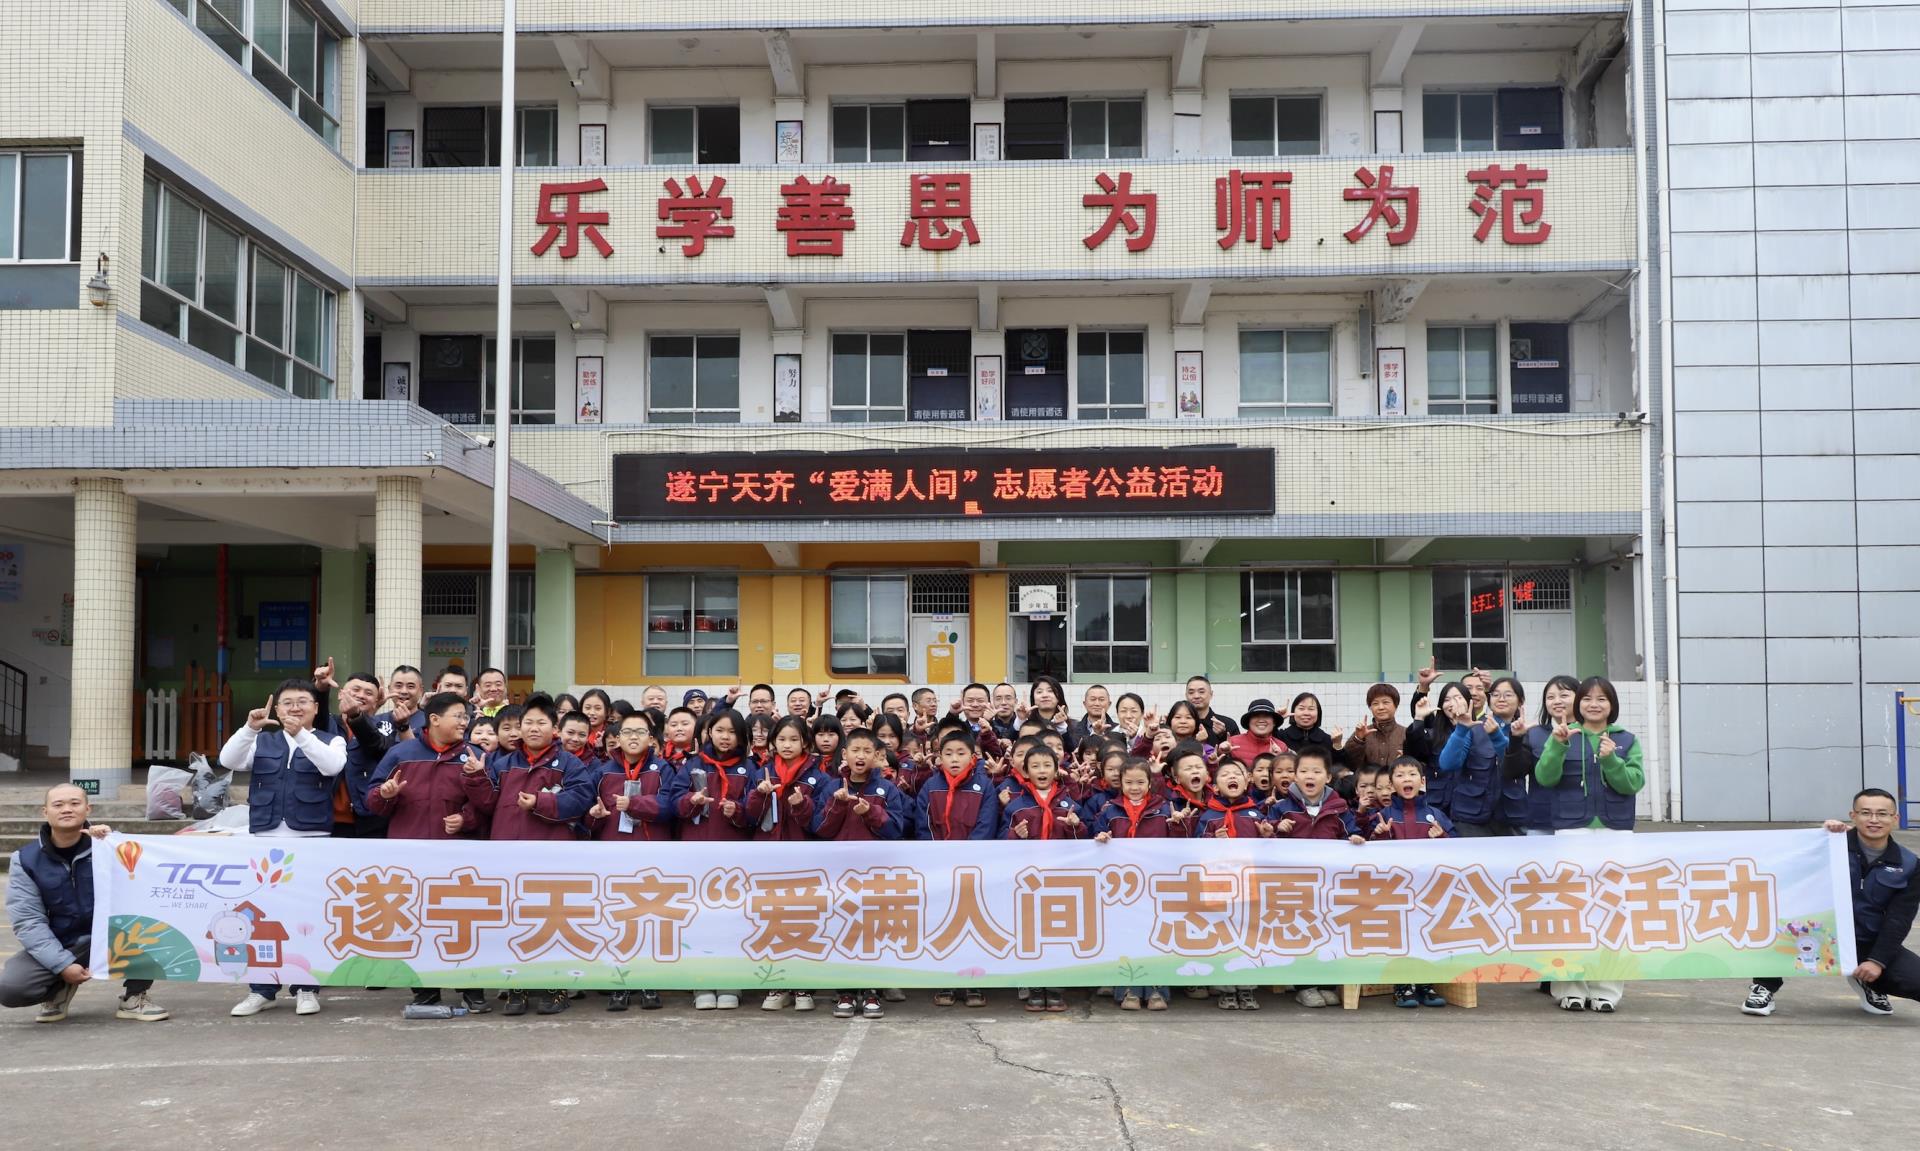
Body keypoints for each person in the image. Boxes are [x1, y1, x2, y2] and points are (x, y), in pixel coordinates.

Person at [223, 677, 346, 1019]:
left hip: (312, 840)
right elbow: (229, 759)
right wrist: (249, 728)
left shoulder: (331, 739)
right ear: (276, 708)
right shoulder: (262, 739)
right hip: (265, 842)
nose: (295, 708)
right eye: (287, 702)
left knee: (307, 918)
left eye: (302, 701)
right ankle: (261, 990)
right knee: (262, 918)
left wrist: (301, 735)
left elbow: (332, 766)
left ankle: (306, 988)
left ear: (315, 708)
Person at [1742, 789, 1920, 1018]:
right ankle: (1764, 985)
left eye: (1882, 814)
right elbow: (1783, 865)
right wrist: (1820, 835)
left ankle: (1867, 980)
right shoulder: (1829, 844)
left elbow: (1899, 918)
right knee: (1775, 925)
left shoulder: (1909, 864)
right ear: (1853, 816)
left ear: (1895, 818)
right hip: (1813, 931)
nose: (1874, 820)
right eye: (1866, 813)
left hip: (1864, 940)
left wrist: (1877, 961)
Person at [367, 693, 492, 1016]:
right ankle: (425, 990)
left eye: (466, 717)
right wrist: (385, 794)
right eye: (458, 716)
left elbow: (489, 805)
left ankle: (471, 988)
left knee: (463, 923)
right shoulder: (401, 753)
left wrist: (465, 818)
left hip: (458, 860)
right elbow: (373, 800)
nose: (464, 722)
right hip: (410, 858)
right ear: (434, 719)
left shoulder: (474, 755)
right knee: (416, 923)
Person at [2, 785, 167, 1023]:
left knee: (152, 922)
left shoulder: (108, 845)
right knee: (12, 988)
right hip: (63, 942)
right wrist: (62, 965)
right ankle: (59, 988)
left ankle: (134, 996)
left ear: (87, 809)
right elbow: (28, 921)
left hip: (112, 937)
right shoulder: (26, 859)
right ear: (45, 812)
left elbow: (142, 883)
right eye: (58, 805)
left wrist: (115, 839)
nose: (67, 809)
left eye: (75, 803)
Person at [479, 693, 598, 1016]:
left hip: (553, 860)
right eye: (528, 723)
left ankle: (554, 987)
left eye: (541, 723)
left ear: (554, 728)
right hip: (509, 856)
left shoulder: (569, 764)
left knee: (552, 923)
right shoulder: (502, 764)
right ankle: (516, 987)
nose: (533, 728)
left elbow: (581, 799)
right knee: (515, 921)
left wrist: (541, 803)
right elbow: (485, 804)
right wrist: (475, 778)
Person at [1533, 675, 1644, 1013]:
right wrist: (1557, 746)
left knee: (1612, 910)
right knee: (1570, 909)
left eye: (1602, 699)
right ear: (1578, 704)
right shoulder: (1565, 735)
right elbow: (1544, 777)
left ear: (1612, 705)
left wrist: (1611, 760)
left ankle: (1606, 990)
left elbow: (1633, 783)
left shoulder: (1626, 740)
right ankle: (1569, 988)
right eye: (1587, 699)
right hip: (1572, 832)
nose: (1594, 704)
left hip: (1615, 832)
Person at [814, 729, 905, 1021]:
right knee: (843, 930)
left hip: (875, 873)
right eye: (855, 750)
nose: (861, 756)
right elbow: (821, 830)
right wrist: (839, 804)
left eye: (867, 751)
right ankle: (846, 991)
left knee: (873, 931)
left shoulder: (887, 790)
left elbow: (895, 831)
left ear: (877, 756)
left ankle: (872, 990)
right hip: (840, 874)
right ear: (845, 754)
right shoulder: (831, 787)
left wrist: (870, 813)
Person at [915, 729, 999, 1008]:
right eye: (948, 753)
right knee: (943, 925)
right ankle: (945, 980)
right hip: (939, 869)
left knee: (975, 927)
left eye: (960, 753)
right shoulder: (930, 786)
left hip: (974, 869)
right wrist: (939, 857)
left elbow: (986, 826)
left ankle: (975, 982)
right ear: (938, 757)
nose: (954, 759)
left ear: (973, 757)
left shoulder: (984, 786)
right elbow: (924, 826)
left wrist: (966, 858)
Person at [1092, 760, 1172, 1011]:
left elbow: (1180, 843)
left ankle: (1157, 989)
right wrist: (1101, 837)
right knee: (1126, 936)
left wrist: (1180, 824)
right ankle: (1129, 989)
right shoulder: (1110, 810)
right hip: (1122, 885)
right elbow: (1095, 834)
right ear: (1120, 783)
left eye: (1140, 782)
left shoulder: (1164, 808)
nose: (1134, 787)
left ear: (1150, 783)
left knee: (1156, 937)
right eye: (1128, 782)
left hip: (1155, 883)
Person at [327, 669, 394, 839]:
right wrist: (320, 687)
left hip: (369, 818)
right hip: (326, 817)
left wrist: (356, 715)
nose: (361, 695)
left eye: (369, 693)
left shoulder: (384, 726)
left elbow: (377, 746)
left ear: (376, 702)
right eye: (355, 690)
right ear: (341, 694)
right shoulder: (325, 723)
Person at [1224, 698, 1288, 765]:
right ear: (1248, 721)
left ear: (1274, 722)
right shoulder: (1232, 743)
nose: (1261, 720)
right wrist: (1222, 752)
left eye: (1266, 716)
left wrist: (1279, 761)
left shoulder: (1281, 747)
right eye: (1256, 715)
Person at [1184, 675, 1239, 741]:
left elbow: (1238, 747)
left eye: (1201, 692)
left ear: (1211, 694)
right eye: (1191, 692)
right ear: (1186, 695)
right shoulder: (1180, 725)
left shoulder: (1228, 724)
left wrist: (1222, 736)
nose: (1196, 696)